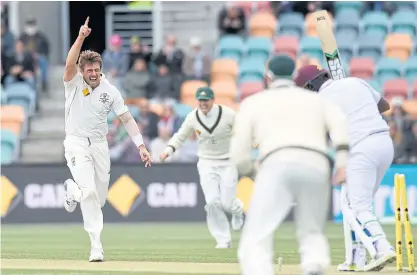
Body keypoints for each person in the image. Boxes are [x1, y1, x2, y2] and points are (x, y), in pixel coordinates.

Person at [232, 55, 349, 275]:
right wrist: (342, 162)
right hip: (317, 163)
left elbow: (239, 153)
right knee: (312, 231)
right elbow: (341, 122)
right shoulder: (316, 100)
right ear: (295, 76)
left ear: (268, 77)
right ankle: (314, 265)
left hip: (276, 162)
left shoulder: (253, 102)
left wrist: (251, 171)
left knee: (256, 238)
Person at [62, 17, 152, 262]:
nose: (92, 73)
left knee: (98, 199)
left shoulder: (110, 90)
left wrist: (141, 145)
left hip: (100, 146)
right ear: (83, 72)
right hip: (76, 142)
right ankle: (96, 246)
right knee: (89, 191)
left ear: (101, 69)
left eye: (95, 70)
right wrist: (81, 37)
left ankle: (72, 192)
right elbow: (70, 63)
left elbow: (126, 118)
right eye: (88, 70)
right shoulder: (73, 83)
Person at [294, 65, 395, 272]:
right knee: (351, 203)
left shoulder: (318, 103)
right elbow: (384, 106)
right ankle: (355, 258)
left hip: (360, 149)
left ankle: (382, 248)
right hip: (384, 143)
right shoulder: (355, 81)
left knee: (356, 207)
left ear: (309, 86)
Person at [159, 86, 244, 248]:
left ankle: (237, 210)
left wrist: (251, 142)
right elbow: (180, 136)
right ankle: (223, 239)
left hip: (227, 161)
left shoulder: (228, 114)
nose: (203, 103)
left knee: (227, 203)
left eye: (206, 100)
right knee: (212, 201)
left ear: (213, 100)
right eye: (200, 100)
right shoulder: (193, 117)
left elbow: (242, 130)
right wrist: (168, 150)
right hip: (206, 162)